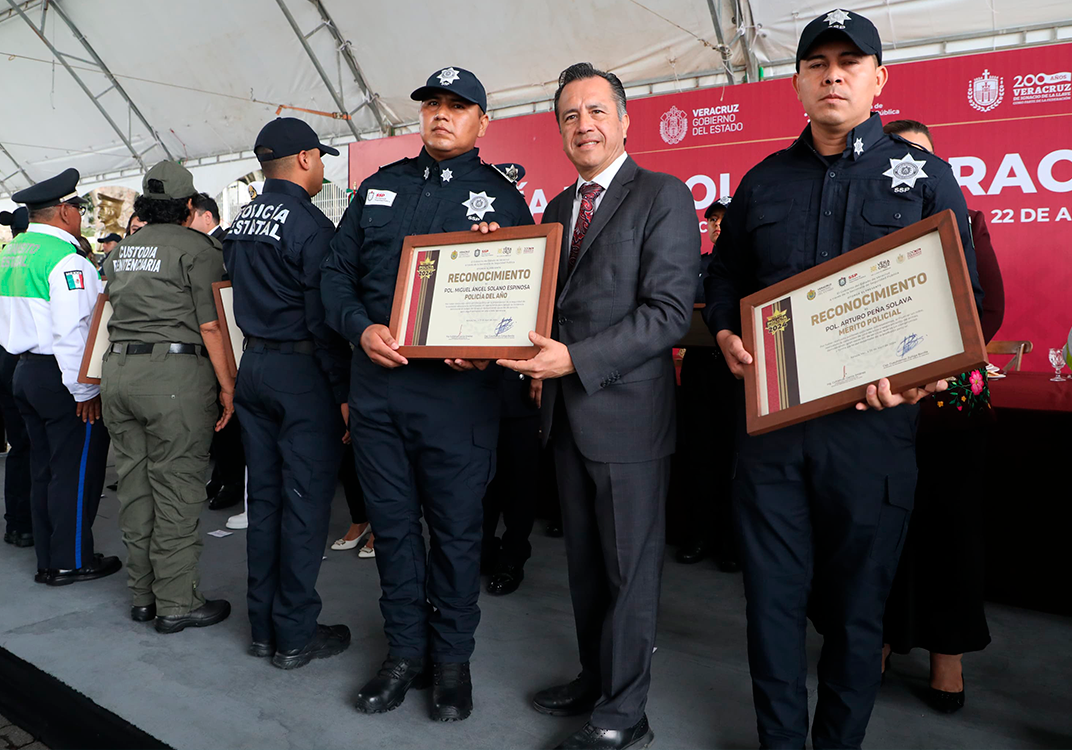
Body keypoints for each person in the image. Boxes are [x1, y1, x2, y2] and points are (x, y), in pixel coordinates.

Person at [702, 11, 984, 748]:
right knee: (771, 610)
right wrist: (727, 326)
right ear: (796, 81)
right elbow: (726, 275)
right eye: (817, 62)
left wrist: (924, 378)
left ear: (878, 80)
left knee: (859, 616)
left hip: (871, 436)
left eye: (850, 63)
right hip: (771, 440)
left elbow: (968, 301)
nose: (833, 74)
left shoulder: (922, 175)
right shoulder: (763, 182)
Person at [497, 62, 699, 750]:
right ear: (558, 129)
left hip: (629, 419)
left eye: (595, 112)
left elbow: (669, 313)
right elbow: (544, 308)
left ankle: (625, 714)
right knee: (585, 568)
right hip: (564, 419)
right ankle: (596, 680)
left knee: (629, 573)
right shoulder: (556, 210)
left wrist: (574, 361)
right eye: (569, 116)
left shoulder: (663, 196)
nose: (583, 125)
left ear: (624, 119)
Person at [322, 66, 533, 722]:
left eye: (457, 106)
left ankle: (452, 662)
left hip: (458, 400)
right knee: (393, 529)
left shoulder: (501, 201)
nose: (442, 115)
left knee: (457, 534)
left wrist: (489, 342)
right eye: (432, 105)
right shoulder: (379, 188)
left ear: (482, 122)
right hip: (381, 394)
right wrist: (362, 329)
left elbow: (526, 303)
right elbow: (336, 277)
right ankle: (405, 654)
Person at [880, 119, 1003, 714]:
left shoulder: (967, 224)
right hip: (877, 413)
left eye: (921, 157)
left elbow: (990, 312)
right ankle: (878, 639)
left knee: (949, 535)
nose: (909, 167)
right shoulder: (864, 230)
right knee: (879, 533)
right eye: (897, 156)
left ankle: (946, 660)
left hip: (951, 414)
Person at [224, 117, 352, 669]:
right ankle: (295, 634)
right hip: (300, 376)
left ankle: (263, 628)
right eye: (320, 157)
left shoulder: (239, 221)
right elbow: (322, 321)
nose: (322, 167)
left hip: (254, 365)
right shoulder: (311, 226)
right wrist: (343, 391)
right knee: (304, 507)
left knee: (267, 501)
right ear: (303, 159)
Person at [101, 161, 234, 632]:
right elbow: (212, 323)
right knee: (176, 487)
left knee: (135, 489)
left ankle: (143, 597)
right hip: (174, 377)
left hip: (118, 373)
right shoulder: (199, 249)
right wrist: (228, 386)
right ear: (190, 206)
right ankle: (176, 604)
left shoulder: (121, 252)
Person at [0, 168, 119, 585]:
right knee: (76, 469)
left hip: (23, 370)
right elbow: (74, 332)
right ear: (66, 211)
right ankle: (70, 561)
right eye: (78, 208)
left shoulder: (10, 253)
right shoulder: (67, 259)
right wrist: (86, 389)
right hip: (61, 376)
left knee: (42, 467)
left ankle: (48, 557)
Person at [674, 197, 739, 572]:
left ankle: (731, 544)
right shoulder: (695, 267)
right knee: (699, 457)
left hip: (737, 376)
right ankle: (698, 536)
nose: (716, 225)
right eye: (712, 219)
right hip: (699, 371)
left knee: (735, 460)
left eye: (724, 219)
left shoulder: (752, 265)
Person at [189, 191, 245, 512]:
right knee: (218, 413)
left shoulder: (224, 245)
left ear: (207, 217)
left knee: (230, 415)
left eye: (191, 216)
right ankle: (222, 473)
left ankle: (232, 478)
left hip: (228, 339)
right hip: (211, 340)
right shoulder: (199, 248)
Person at [480, 364, 541, 596]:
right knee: (478, 476)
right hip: (473, 381)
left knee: (520, 479)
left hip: (523, 380)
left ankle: (512, 558)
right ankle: (483, 550)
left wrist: (541, 373)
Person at [1, 206, 33, 548]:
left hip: (5, 360)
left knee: (19, 448)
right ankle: (35, 523)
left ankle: (17, 523)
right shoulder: (41, 259)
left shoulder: (6, 259)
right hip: (29, 360)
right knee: (38, 448)